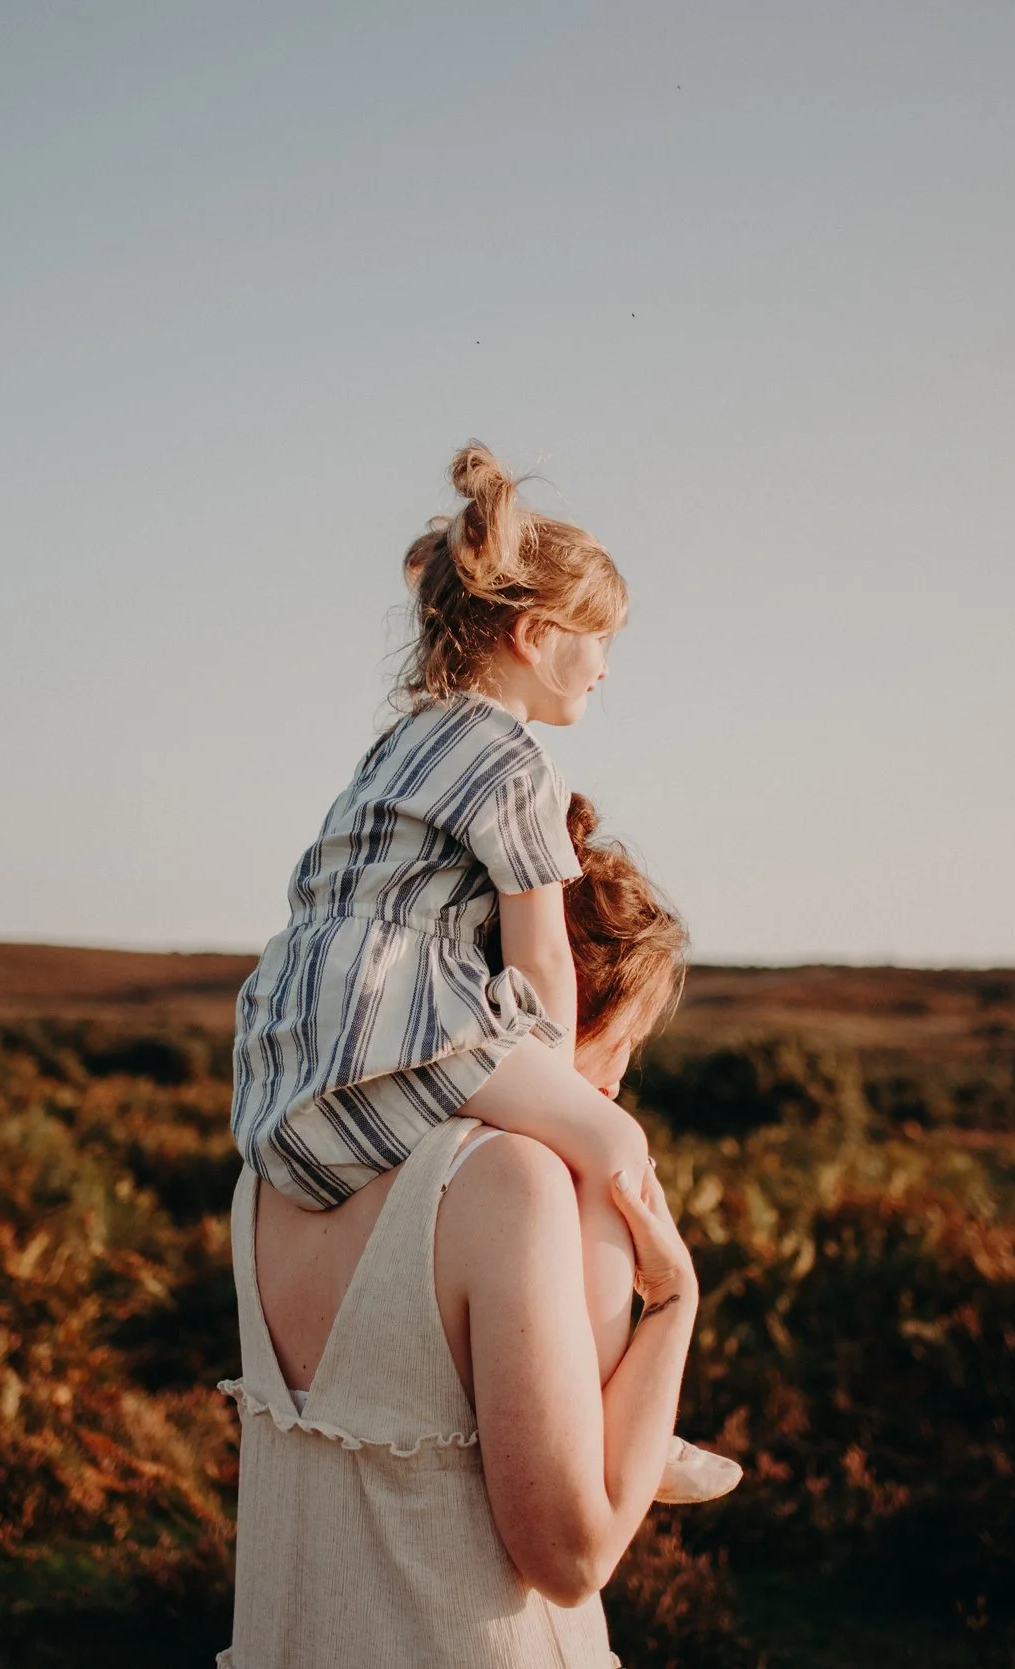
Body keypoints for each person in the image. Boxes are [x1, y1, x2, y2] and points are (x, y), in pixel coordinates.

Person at [227, 441, 735, 1501]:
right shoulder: (515, 763)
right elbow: (542, 949)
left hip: (298, 1019)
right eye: (600, 643)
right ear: (538, 634)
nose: (605, 668)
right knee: (609, 1141)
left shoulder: (401, 741)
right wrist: (549, 1082)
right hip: (399, 1010)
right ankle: (605, 1409)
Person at [220, 796, 715, 1666]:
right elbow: (572, 1555)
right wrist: (673, 1304)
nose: (620, 1083)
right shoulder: (506, 1184)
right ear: (564, 1011)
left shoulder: (273, 1172)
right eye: (626, 1042)